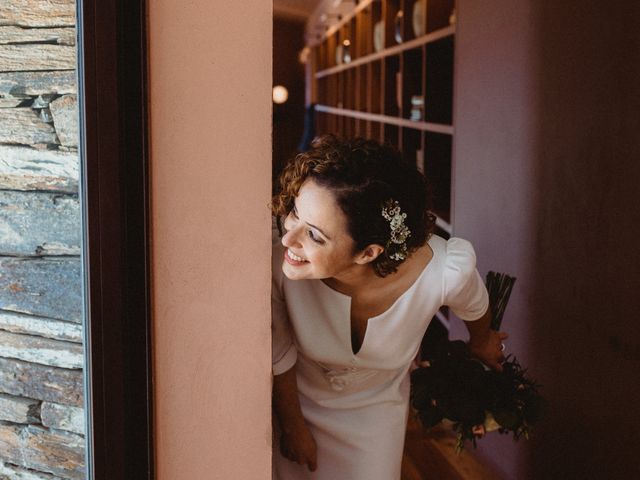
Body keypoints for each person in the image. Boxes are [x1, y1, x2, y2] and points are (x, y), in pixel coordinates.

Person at [271, 135, 507, 480]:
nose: (288, 238)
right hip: (297, 407)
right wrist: (293, 428)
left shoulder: (443, 272)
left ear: (368, 253)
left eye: (315, 236)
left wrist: (482, 341)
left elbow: (475, 304)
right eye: (294, 213)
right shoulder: (277, 261)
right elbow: (278, 352)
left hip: (377, 417)